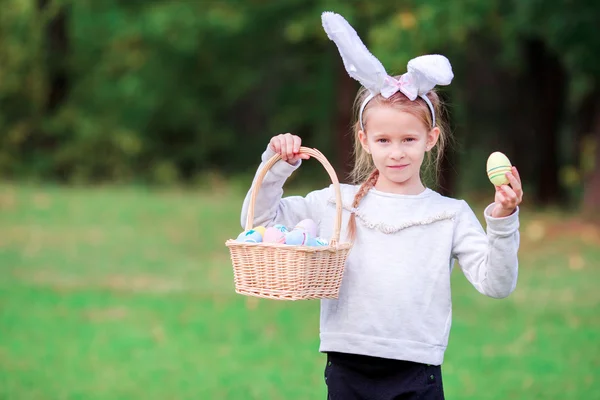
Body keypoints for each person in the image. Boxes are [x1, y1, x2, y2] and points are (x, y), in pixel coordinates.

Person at [239, 12, 523, 400]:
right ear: (365, 139)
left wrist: (504, 220)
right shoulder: (336, 202)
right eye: (384, 140)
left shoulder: (450, 214)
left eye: (408, 139)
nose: (396, 153)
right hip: (347, 367)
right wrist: (275, 166)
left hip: (416, 372)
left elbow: (497, 284)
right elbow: (257, 222)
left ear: (431, 138)